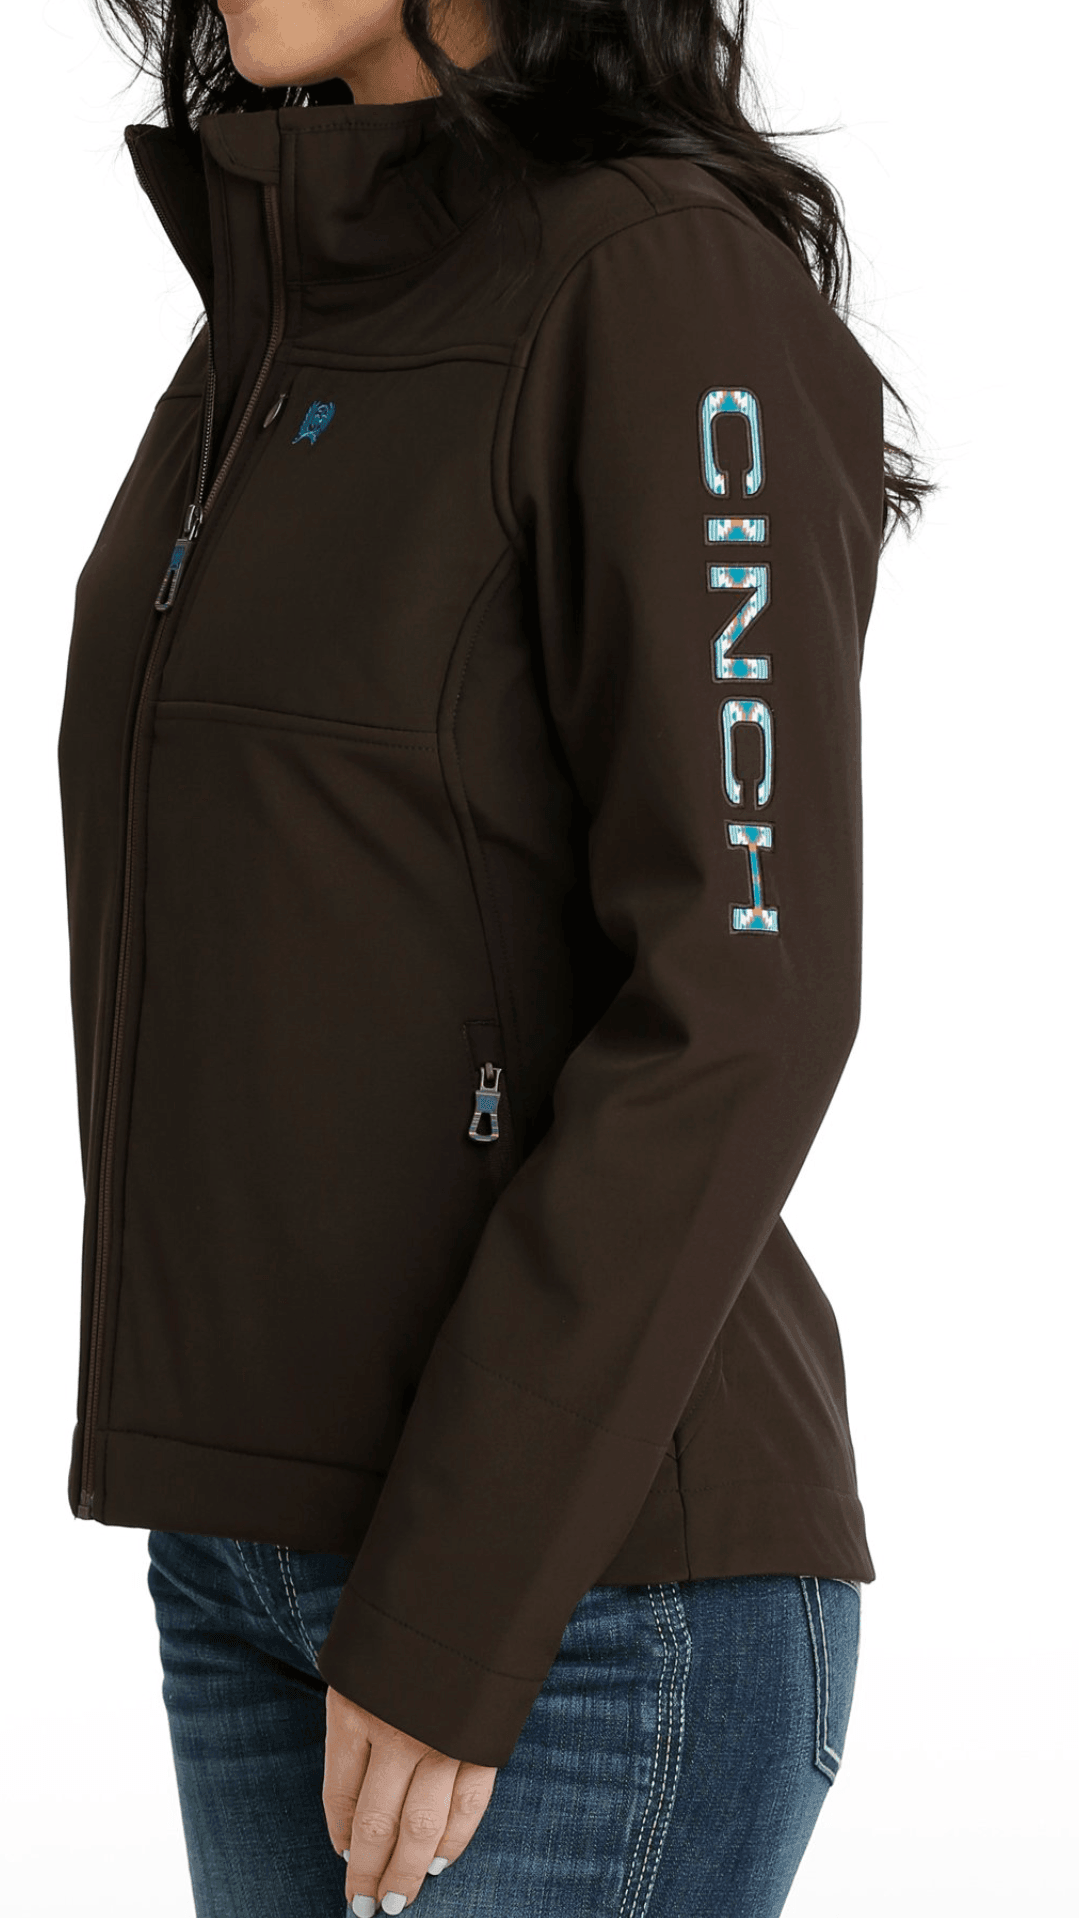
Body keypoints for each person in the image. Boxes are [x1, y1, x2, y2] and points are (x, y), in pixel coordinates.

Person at [57, 0, 928, 1911]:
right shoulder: (278, 304)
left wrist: (461, 1598)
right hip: (247, 1556)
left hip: (578, 1601)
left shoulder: (660, 287)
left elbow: (745, 999)